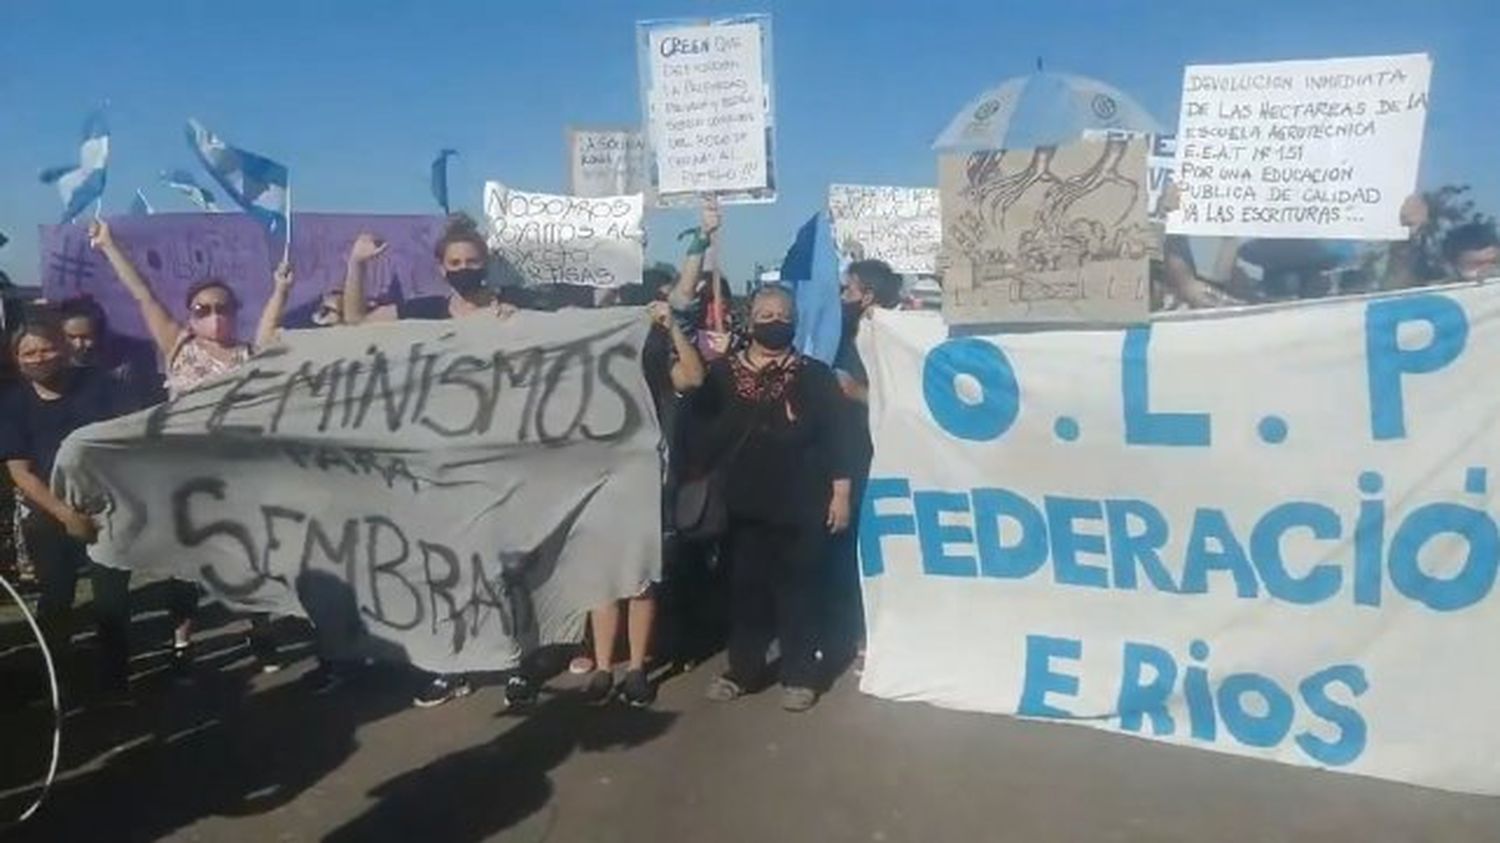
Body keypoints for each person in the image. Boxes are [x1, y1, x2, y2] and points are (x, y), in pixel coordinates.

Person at [340, 214, 536, 711]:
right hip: (436, 462)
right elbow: (354, 323)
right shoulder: (424, 311)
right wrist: (356, 265)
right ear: (440, 267)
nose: (465, 269)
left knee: (505, 567)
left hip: (497, 457)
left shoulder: (513, 312)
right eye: (456, 263)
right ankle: (453, 665)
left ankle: (516, 662)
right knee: (444, 567)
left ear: (486, 264)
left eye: (473, 262)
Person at [89, 218, 295, 673]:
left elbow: (271, 327)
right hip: (186, 476)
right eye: (202, 309)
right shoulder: (178, 347)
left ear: (235, 310)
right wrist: (109, 245)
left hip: (241, 476)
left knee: (249, 559)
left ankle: (261, 633)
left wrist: (280, 289)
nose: (213, 316)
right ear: (189, 315)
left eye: (221, 307)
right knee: (186, 567)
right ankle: (182, 641)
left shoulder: (249, 355)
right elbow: (143, 293)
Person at [694, 285, 856, 712]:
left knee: (799, 591)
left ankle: (800, 674)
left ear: (795, 320)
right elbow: (699, 422)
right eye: (764, 314)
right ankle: (743, 670)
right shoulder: (724, 373)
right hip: (741, 505)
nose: (772, 321)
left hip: (802, 503)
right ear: (749, 321)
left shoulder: (815, 375)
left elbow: (840, 436)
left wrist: (841, 493)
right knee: (745, 593)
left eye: (780, 314)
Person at [578, 298, 706, 706]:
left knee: (641, 582)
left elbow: (696, 376)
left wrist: (671, 328)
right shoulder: (591, 382)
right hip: (601, 490)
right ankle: (603, 667)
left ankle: (635, 668)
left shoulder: (662, 382)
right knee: (602, 581)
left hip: (650, 491)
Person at [1, 315, 132, 698]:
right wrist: (65, 514)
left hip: (109, 509)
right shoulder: (12, 405)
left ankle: (115, 681)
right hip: (49, 515)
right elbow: (21, 473)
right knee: (56, 600)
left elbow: (126, 435)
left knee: (112, 601)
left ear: (62, 348)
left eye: (46, 348)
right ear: (17, 359)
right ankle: (55, 680)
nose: (39, 357)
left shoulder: (99, 386)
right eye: (29, 352)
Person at [56, 296, 165, 411]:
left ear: (99, 332)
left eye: (86, 337)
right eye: (71, 337)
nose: (78, 344)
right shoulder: (53, 362)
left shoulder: (130, 359)